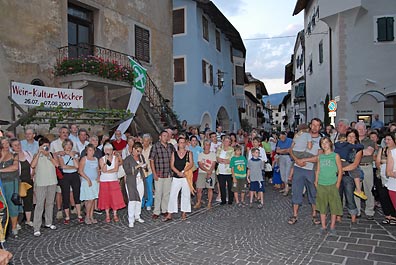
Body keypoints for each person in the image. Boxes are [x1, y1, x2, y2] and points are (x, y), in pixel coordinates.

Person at [288, 118, 323, 225]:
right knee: (296, 191)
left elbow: (319, 157)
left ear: (320, 127)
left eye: (317, 125)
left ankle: (314, 214)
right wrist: (296, 160)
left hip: (311, 170)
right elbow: (291, 150)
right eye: (313, 125)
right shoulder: (302, 136)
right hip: (299, 169)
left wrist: (303, 160)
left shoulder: (322, 139)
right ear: (310, 125)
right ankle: (294, 215)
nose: (315, 127)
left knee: (313, 192)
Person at [314, 137, 343, 235]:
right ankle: (323, 226)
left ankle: (332, 226)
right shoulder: (320, 157)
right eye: (322, 143)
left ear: (330, 143)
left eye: (326, 142)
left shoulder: (335, 156)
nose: (324, 145)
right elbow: (318, 170)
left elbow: (340, 170)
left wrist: (338, 183)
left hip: (332, 183)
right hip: (322, 184)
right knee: (322, 206)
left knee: (333, 205)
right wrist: (316, 181)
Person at [30, 137, 58, 236]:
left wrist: (49, 156)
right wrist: (39, 153)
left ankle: (48, 222)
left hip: (52, 181)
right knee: (39, 204)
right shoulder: (36, 155)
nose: (46, 148)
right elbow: (32, 165)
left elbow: (57, 164)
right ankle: (36, 227)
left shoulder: (51, 155)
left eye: (47, 146)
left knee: (50, 203)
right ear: (40, 146)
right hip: (41, 183)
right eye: (44, 146)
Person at [163, 137, 193, 221]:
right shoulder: (174, 153)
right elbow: (172, 165)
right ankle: (170, 213)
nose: (182, 144)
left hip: (185, 176)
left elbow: (191, 164)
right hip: (176, 177)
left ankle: (184, 213)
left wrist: (183, 171)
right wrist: (178, 172)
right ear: (177, 144)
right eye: (180, 142)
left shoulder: (189, 153)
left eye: (183, 142)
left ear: (185, 143)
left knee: (186, 195)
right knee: (173, 194)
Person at [337, 129, 362, 224]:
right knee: (338, 196)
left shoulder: (358, 149)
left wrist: (341, 169)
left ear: (356, 138)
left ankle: (353, 216)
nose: (351, 138)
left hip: (349, 175)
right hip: (338, 174)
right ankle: (338, 215)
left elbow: (355, 164)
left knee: (349, 196)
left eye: (353, 136)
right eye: (349, 136)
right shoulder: (342, 147)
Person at [149, 130, 175, 219]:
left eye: (167, 136)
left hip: (168, 173)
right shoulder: (155, 146)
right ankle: (156, 211)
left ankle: (164, 210)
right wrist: (154, 173)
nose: (166, 137)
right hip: (159, 173)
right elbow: (151, 160)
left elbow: (174, 158)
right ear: (160, 137)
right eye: (164, 135)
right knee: (158, 193)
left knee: (166, 193)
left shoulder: (171, 147)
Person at [98, 143, 126, 222]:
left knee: (115, 197)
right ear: (104, 151)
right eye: (107, 150)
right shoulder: (101, 159)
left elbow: (116, 169)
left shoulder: (115, 158)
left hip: (113, 180)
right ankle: (107, 215)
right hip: (104, 181)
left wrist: (106, 171)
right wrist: (106, 162)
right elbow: (103, 169)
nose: (108, 151)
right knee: (106, 197)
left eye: (110, 149)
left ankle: (115, 214)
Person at [58, 139, 83, 224]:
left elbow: (77, 166)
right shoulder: (61, 155)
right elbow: (63, 166)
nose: (68, 147)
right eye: (67, 145)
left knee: (77, 194)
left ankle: (79, 214)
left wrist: (72, 157)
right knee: (65, 195)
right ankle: (67, 216)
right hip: (65, 177)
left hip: (74, 176)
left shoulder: (74, 155)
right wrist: (72, 167)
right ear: (64, 146)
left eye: (70, 145)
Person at [10, 138, 34, 227]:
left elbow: (33, 165)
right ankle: (16, 222)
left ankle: (28, 220)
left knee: (28, 200)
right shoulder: (11, 156)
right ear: (11, 147)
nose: (18, 147)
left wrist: (33, 173)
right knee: (17, 202)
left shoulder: (27, 153)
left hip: (29, 180)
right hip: (17, 181)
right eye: (15, 145)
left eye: (19, 144)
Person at [334, 134, 366, 200]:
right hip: (344, 162)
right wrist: (361, 146)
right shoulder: (347, 145)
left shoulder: (336, 144)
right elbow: (357, 146)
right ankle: (358, 190)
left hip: (337, 162)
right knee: (356, 172)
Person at [355, 122, 376, 220]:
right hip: (356, 167)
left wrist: (356, 151)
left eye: (363, 128)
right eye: (359, 129)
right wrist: (362, 152)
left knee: (369, 189)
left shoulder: (370, 141)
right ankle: (357, 211)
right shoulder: (353, 140)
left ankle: (370, 211)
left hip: (367, 167)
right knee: (356, 190)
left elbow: (369, 152)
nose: (362, 130)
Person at [123, 142, 147, 228]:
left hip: (140, 180)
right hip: (131, 181)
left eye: (140, 151)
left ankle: (137, 216)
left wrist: (144, 166)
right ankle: (131, 219)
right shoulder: (127, 159)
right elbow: (127, 171)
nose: (139, 153)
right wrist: (137, 167)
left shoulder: (141, 157)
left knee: (139, 199)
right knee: (132, 200)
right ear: (133, 149)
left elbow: (145, 167)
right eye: (137, 151)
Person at [0, 137, 20, 237]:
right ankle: (3, 227)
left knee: (13, 204)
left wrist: (0, 170)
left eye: (7, 143)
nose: (6, 145)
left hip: (12, 183)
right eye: (4, 143)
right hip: (1, 183)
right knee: (2, 205)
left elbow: (15, 167)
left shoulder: (14, 155)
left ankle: (14, 227)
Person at [375, 133, 396, 225]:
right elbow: (378, 163)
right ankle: (387, 215)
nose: (386, 142)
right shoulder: (383, 150)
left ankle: (394, 216)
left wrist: (386, 162)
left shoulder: (393, 152)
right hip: (383, 176)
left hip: (392, 178)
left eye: (389, 139)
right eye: (385, 140)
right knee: (384, 196)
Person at [78, 144, 99, 224]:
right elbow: (80, 171)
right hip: (87, 181)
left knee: (93, 199)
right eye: (90, 150)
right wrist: (87, 179)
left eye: (93, 150)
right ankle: (87, 216)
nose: (91, 152)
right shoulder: (84, 159)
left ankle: (91, 215)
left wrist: (98, 177)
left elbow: (97, 169)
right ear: (86, 151)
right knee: (89, 200)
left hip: (94, 181)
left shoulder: (95, 159)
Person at [195, 139, 217, 209]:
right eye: (206, 144)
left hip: (211, 173)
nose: (207, 146)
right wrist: (207, 171)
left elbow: (213, 164)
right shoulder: (200, 155)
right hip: (202, 173)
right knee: (199, 188)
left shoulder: (213, 154)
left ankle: (209, 203)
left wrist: (209, 171)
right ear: (203, 146)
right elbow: (200, 164)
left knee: (210, 188)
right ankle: (198, 202)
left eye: (208, 145)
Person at [216, 136, 234, 205]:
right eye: (225, 141)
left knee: (230, 186)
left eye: (228, 141)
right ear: (223, 141)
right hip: (220, 170)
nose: (226, 142)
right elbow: (217, 158)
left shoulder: (232, 149)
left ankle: (230, 200)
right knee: (221, 186)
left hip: (229, 170)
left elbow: (231, 160)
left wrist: (223, 160)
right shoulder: (219, 149)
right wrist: (220, 160)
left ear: (230, 142)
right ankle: (223, 200)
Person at [276, 131, 293, 196]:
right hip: (281, 157)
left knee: (287, 173)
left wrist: (282, 150)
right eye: (280, 138)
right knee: (282, 173)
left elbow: (290, 150)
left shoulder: (290, 140)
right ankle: (286, 186)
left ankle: (286, 189)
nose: (282, 139)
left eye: (282, 137)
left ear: (285, 135)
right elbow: (277, 150)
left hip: (288, 157)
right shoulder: (279, 141)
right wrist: (285, 150)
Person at [141, 133, 153, 211]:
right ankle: (141, 203)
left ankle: (149, 203)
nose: (145, 143)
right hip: (141, 171)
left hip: (149, 171)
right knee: (141, 188)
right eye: (144, 141)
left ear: (149, 141)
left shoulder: (152, 148)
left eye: (147, 141)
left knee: (149, 188)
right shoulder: (139, 148)